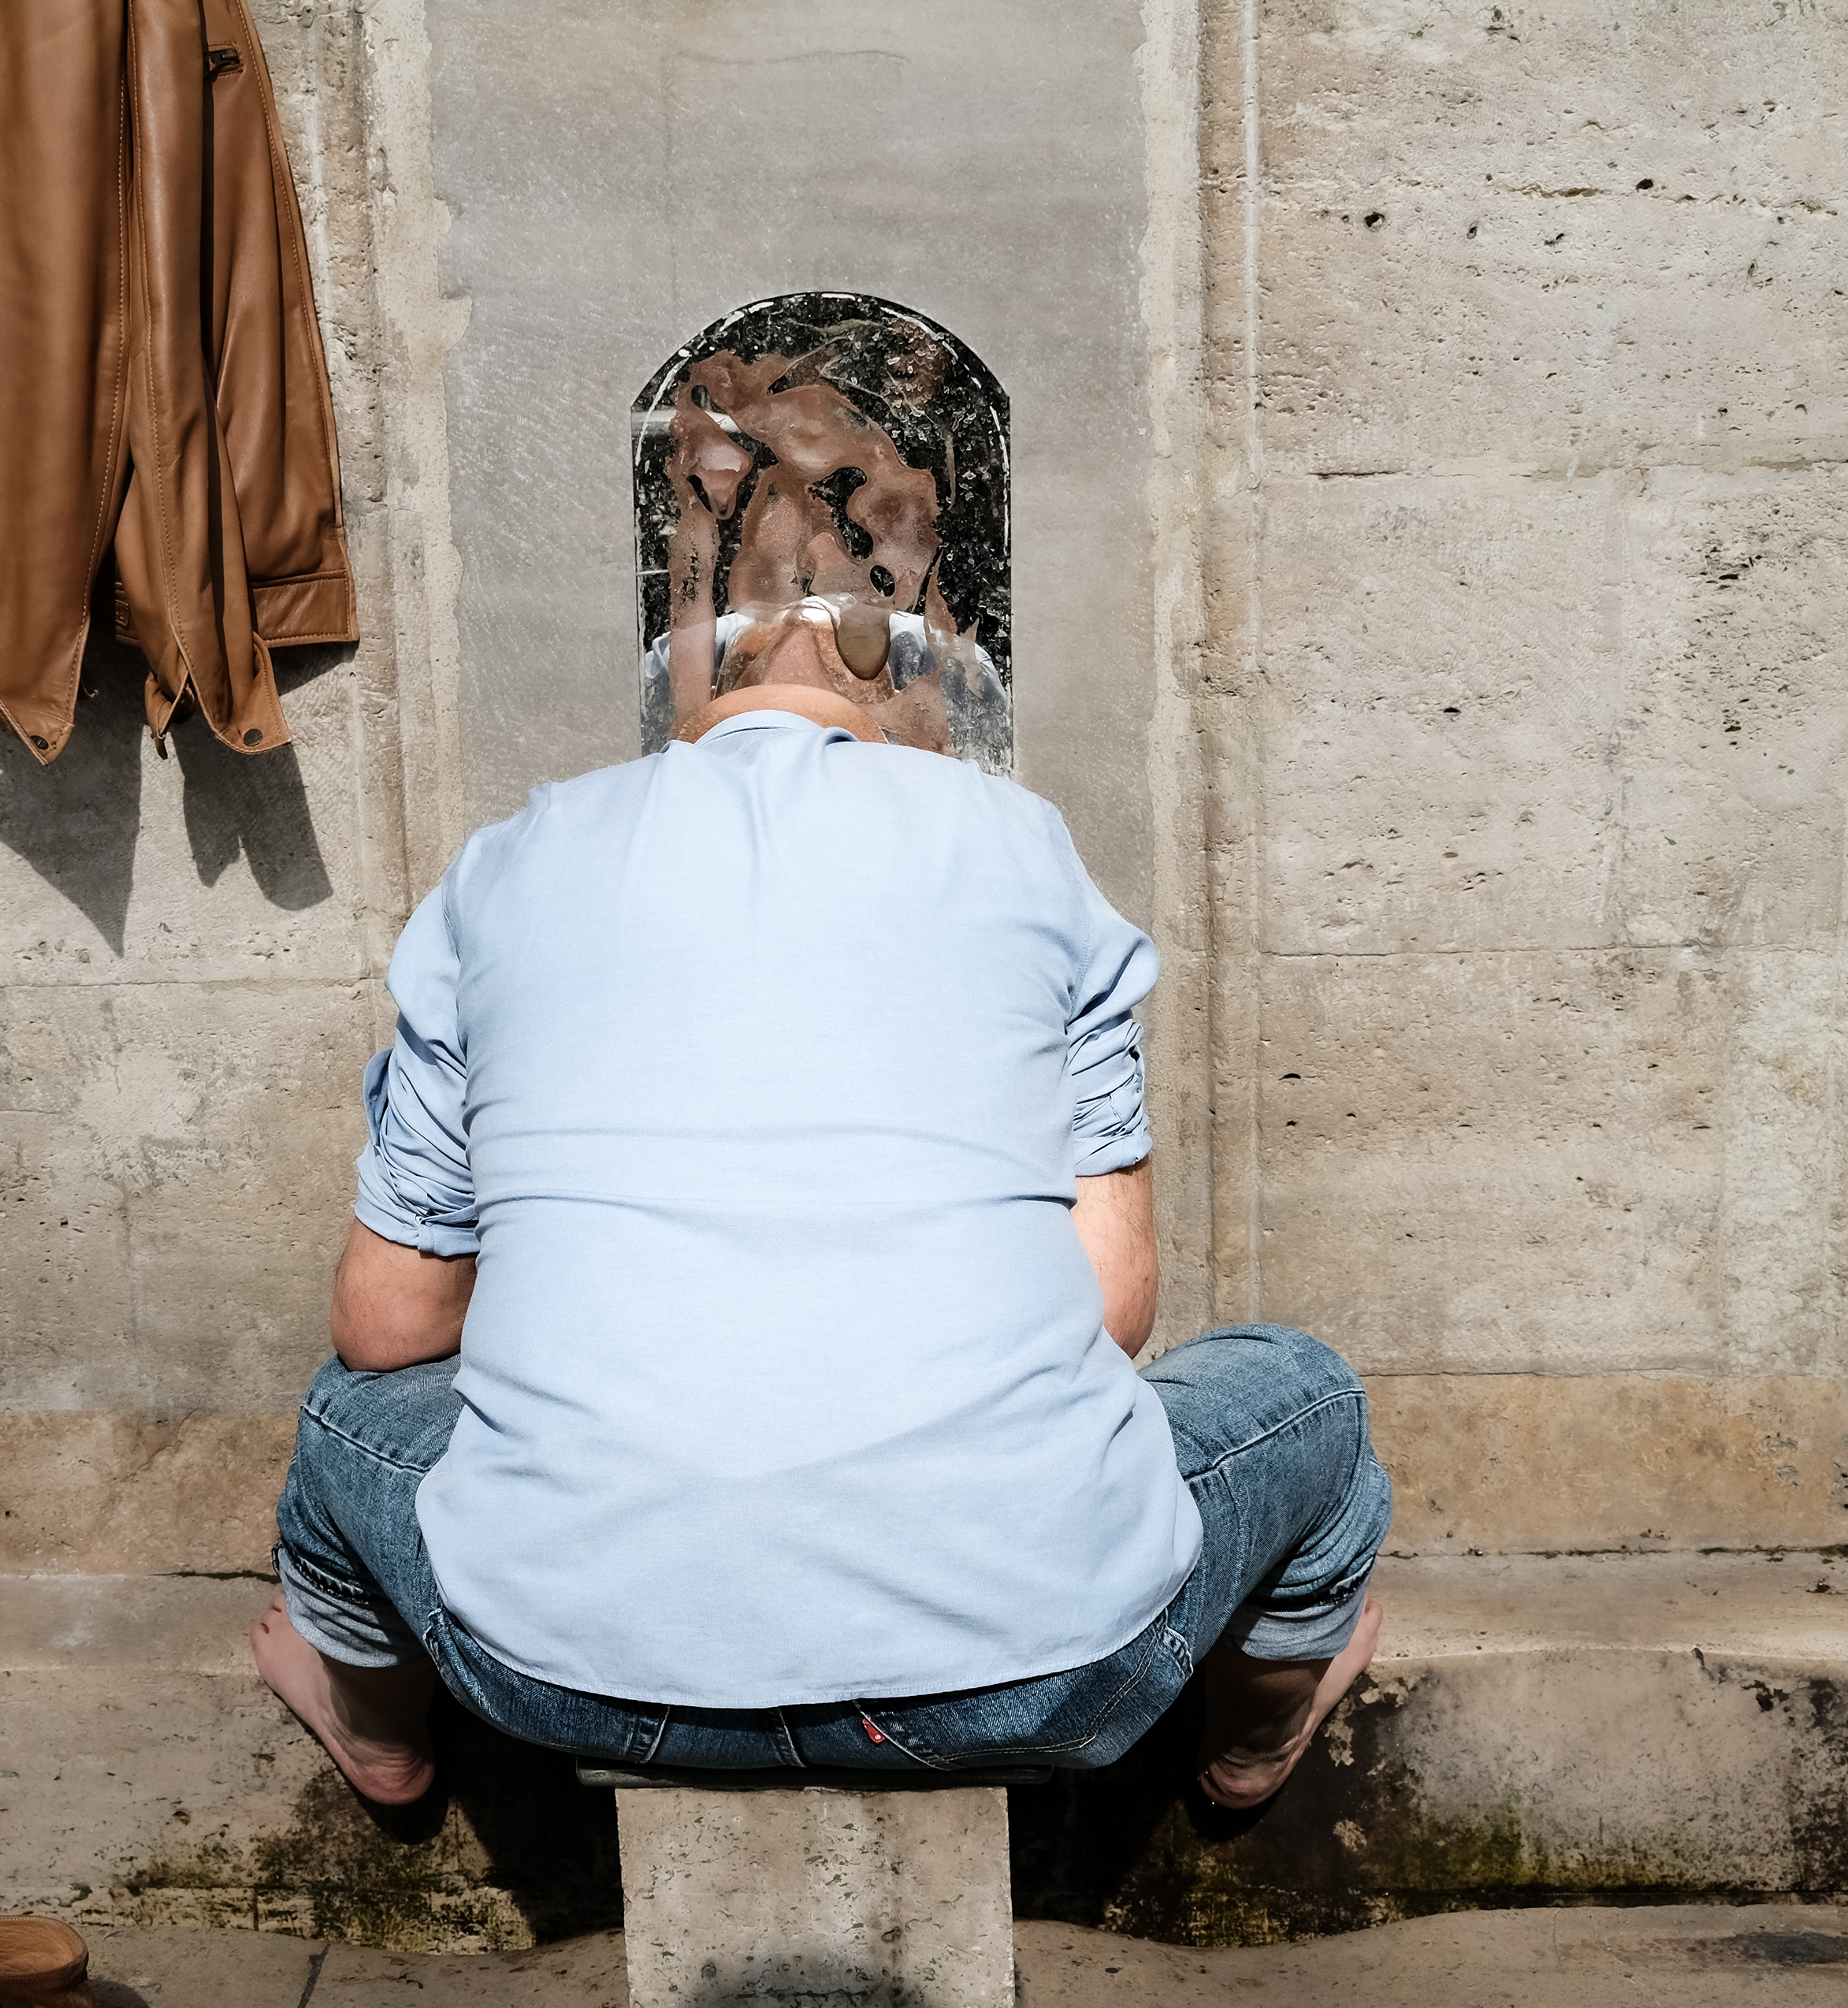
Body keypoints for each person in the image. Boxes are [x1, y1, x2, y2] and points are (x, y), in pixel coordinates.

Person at [255, 620, 1389, 1809]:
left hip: (560, 1681)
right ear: (917, 720)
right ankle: (1253, 1744)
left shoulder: (503, 864)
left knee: (349, 1416)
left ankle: (378, 1736)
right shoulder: (1016, 840)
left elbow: (385, 1330)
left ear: (688, 710)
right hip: (1057, 1673)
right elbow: (1108, 1310)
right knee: (1307, 1393)